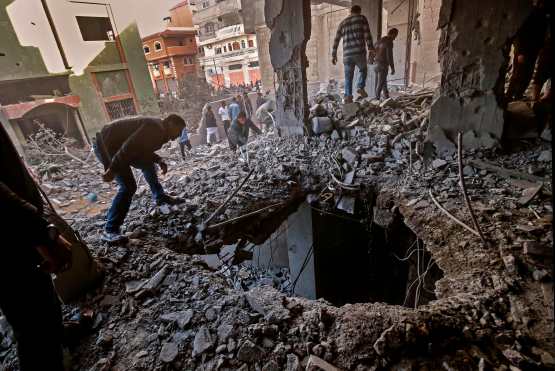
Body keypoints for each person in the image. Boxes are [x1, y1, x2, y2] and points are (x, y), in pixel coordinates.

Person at [0, 123, 72, 371]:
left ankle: (58, 334)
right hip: (8, 239)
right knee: (33, 325)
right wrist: (43, 233)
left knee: (40, 297)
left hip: (16, 231)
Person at [94, 114, 186, 243]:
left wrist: (159, 160)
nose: (180, 135)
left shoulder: (159, 130)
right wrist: (113, 168)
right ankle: (110, 231)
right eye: (179, 130)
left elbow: (142, 149)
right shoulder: (155, 128)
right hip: (108, 145)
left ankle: (160, 197)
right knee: (128, 187)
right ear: (171, 123)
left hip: (119, 145)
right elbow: (129, 147)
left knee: (148, 165)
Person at [506, 0, 550, 101]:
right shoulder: (530, 14)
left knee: (527, 74)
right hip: (524, 49)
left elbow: (541, 34)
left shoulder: (543, 15)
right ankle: (509, 96)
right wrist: (520, 52)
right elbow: (521, 33)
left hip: (533, 50)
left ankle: (518, 95)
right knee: (518, 73)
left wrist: (540, 47)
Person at [332, 5, 376, 103]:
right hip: (359, 52)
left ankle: (348, 96)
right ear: (359, 11)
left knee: (348, 77)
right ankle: (360, 86)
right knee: (363, 69)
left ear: (350, 11)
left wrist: (334, 54)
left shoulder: (342, 23)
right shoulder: (361, 18)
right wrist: (371, 49)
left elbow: (336, 39)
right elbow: (367, 35)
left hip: (347, 55)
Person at [374, 28, 399, 100]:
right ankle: (376, 99)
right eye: (395, 35)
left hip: (375, 64)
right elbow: (389, 56)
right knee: (380, 84)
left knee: (383, 81)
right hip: (382, 65)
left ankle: (386, 96)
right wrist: (392, 67)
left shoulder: (379, 41)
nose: (395, 38)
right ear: (393, 34)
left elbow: (372, 52)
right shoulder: (389, 41)